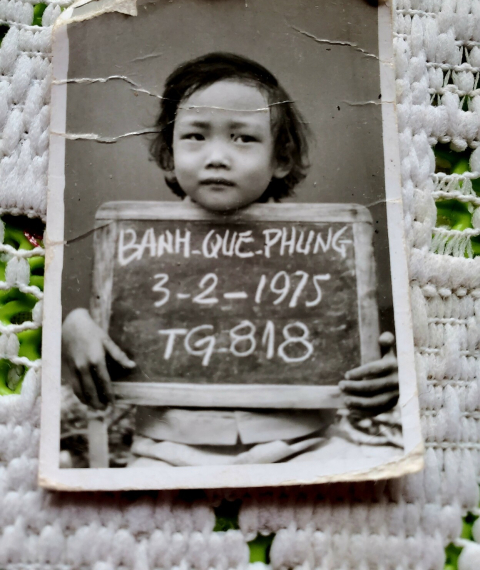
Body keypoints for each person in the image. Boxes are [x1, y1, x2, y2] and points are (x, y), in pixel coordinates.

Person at [62, 53, 400, 467]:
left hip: (307, 445)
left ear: (281, 158)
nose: (217, 156)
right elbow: (112, 322)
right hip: (166, 452)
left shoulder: (321, 253)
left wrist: (384, 376)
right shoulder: (138, 247)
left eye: (243, 138)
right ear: (168, 154)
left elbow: (348, 347)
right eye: (195, 136)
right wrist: (75, 326)